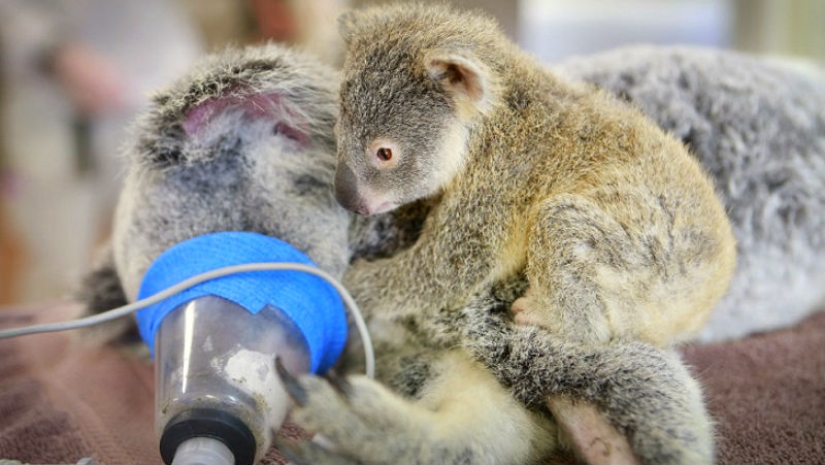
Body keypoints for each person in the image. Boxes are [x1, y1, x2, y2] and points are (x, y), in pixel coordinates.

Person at [0, 0, 204, 303]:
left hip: (156, 79)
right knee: (58, 270)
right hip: (45, 103)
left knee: (179, 253)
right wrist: (52, 51)